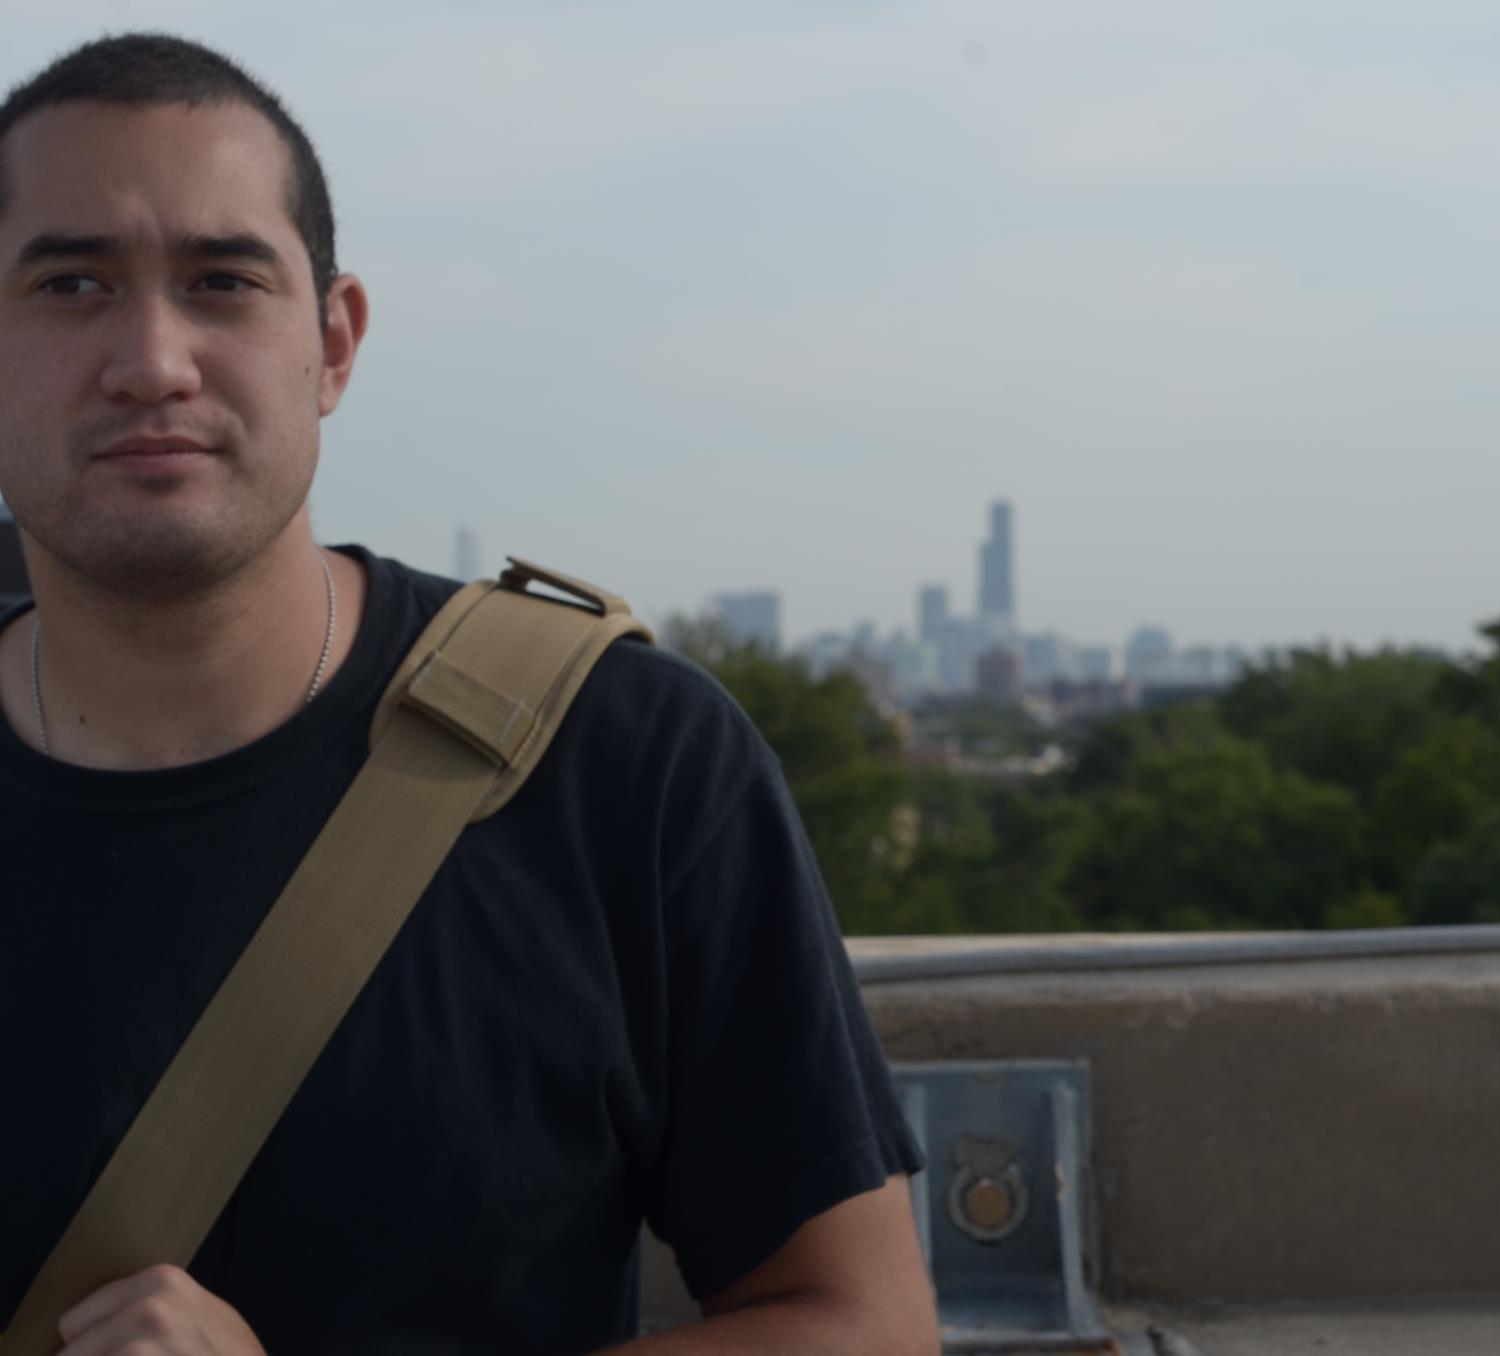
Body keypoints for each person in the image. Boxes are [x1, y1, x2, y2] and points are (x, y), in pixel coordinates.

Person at [0, 32, 938, 1356]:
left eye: (223, 281)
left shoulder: (623, 756)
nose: (152, 359)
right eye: (72, 282)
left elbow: (865, 1329)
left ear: (331, 347)